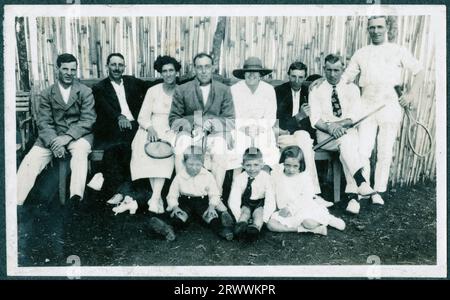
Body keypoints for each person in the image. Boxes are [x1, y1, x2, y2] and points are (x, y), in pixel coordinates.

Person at [342, 16, 424, 205]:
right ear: (368, 29)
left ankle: (379, 190)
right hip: (366, 106)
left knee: (385, 151)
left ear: (387, 28)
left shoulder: (398, 50)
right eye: (372, 27)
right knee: (363, 150)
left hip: (389, 106)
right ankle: (365, 190)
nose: (376, 31)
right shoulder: (361, 53)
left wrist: (410, 96)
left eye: (379, 27)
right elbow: (346, 77)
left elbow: (419, 71)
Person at [17, 53, 96, 205]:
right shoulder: (47, 93)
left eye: (73, 70)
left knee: (80, 153)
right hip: (51, 137)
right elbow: (44, 122)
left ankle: (76, 198)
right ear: (57, 69)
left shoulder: (85, 91)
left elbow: (88, 120)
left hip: (78, 136)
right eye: (65, 69)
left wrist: (67, 137)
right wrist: (55, 142)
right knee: (31, 160)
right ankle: (14, 203)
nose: (69, 73)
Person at [309, 54, 375, 214]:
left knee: (347, 143)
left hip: (345, 132)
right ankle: (359, 184)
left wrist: (337, 125)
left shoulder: (352, 89)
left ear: (342, 70)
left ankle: (354, 196)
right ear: (324, 69)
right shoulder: (316, 89)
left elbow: (353, 117)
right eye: (329, 70)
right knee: (348, 142)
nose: (332, 74)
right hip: (325, 136)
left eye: (336, 70)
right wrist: (330, 128)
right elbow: (315, 119)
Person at [169, 52, 235, 197]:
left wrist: (213, 123)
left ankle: (216, 195)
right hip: (190, 133)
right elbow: (173, 119)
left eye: (207, 67)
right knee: (181, 144)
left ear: (213, 68)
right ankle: (182, 192)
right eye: (199, 67)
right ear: (194, 69)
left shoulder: (223, 90)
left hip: (213, 134)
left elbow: (230, 120)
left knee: (219, 145)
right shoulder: (182, 89)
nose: (204, 71)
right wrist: (196, 123)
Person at [91, 53, 150, 201]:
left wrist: (178, 79)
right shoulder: (100, 87)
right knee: (118, 149)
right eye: (113, 64)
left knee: (139, 146)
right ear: (107, 66)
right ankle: (122, 190)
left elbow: (152, 84)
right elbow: (105, 108)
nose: (117, 68)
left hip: (134, 125)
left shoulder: (132, 82)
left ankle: (125, 190)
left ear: (124, 67)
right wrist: (119, 117)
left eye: (120, 65)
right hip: (112, 127)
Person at [129, 55, 179, 218]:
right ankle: (156, 199)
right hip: (151, 126)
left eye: (171, 70)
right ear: (160, 73)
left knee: (165, 151)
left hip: (171, 127)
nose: (168, 74)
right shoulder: (153, 91)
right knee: (145, 146)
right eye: (164, 71)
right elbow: (142, 116)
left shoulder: (181, 91)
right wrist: (150, 128)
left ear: (176, 71)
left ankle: (155, 197)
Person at [267, 146, 345, 235]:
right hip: (284, 211)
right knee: (270, 224)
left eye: (295, 166)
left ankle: (328, 219)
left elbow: (306, 198)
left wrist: (291, 208)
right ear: (283, 163)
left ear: (300, 164)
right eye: (287, 165)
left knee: (309, 223)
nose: (291, 169)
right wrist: (271, 212)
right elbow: (271, 196)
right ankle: (306, 230)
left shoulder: (304, 177)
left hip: (302, 208)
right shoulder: (276, 176)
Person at [274, 62, 322, 197]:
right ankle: (308, 193)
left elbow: (309, 125)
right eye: (293, 76)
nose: (297, 81)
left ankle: (310, 193)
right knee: (300, 147)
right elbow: (278, 123)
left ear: (305, 78)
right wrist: (298, 117)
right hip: (283, 134)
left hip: (302, 134)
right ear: (288, 75)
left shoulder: (309, 92)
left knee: (304, 139)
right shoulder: (279, 92)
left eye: (301, 77)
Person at [166, 146, 234, 240]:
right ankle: (168, 229)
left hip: (202, 201)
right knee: (180, 216)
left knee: (211, 217)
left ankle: (222, 230)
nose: (194, 168)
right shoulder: (179, 177)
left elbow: (214, 193)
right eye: (190, 164)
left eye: (198, 165)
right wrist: (175, 207)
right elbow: (172, 195)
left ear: (202, 163)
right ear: (184, 163)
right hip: (186, 201)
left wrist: (211, 207)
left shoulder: (207, 175)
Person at [229, 57, 280, 170]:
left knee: (266, 149)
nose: (251, 75)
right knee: (238, 150)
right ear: (244, 74)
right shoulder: (234, 89)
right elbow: (232, 114)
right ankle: (236, 182)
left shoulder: (269, 90)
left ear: (260, 74)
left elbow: (271, 116)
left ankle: (263, 181)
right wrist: (244, 128)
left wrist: (259, 127)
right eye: (248, 72)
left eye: (255, 72)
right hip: (240, 128)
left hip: (262, 128)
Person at [228, 147, 276, 239]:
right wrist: (239, 217)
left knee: (259, 215)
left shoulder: (267, 178)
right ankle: (241, 225)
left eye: (256, 165)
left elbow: (270, 200)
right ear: (243, 165)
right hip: (246, 202)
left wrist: (265, 219)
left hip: (260, 203)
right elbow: (234, 200)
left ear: (262, 164)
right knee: (245, 213)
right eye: (248, 165)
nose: (252, 169)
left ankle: (255, 229)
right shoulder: (239, 178)